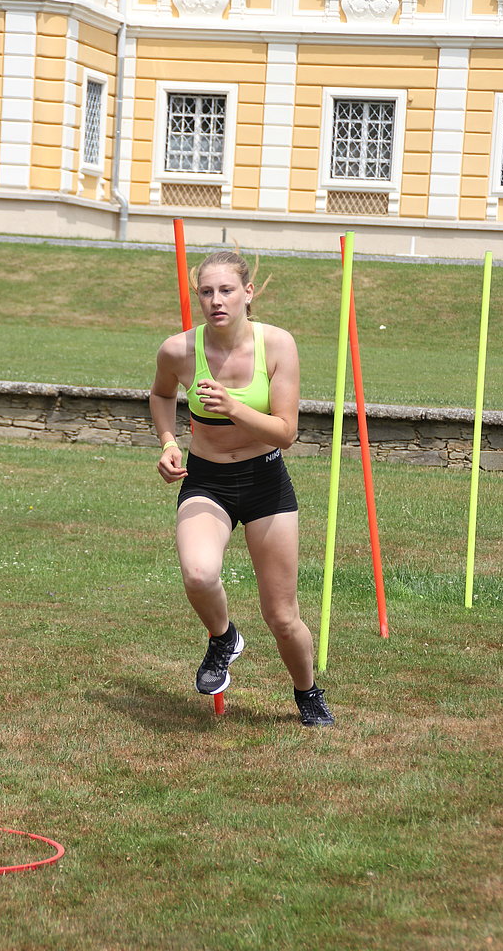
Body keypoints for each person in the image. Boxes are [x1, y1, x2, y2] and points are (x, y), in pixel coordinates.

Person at [149, 250, 334, 727]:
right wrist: (169, 442)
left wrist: (233, 407)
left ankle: (307, 693)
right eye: (207, 292)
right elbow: (162, 394)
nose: (216, 300)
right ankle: (223, 638)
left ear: (248, 293)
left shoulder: (277, 344)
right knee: (198, 573)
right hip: (206, 480)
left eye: (226, 290)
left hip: (265, 482)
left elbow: (286, 433)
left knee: (282, 616)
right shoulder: (178, 350)